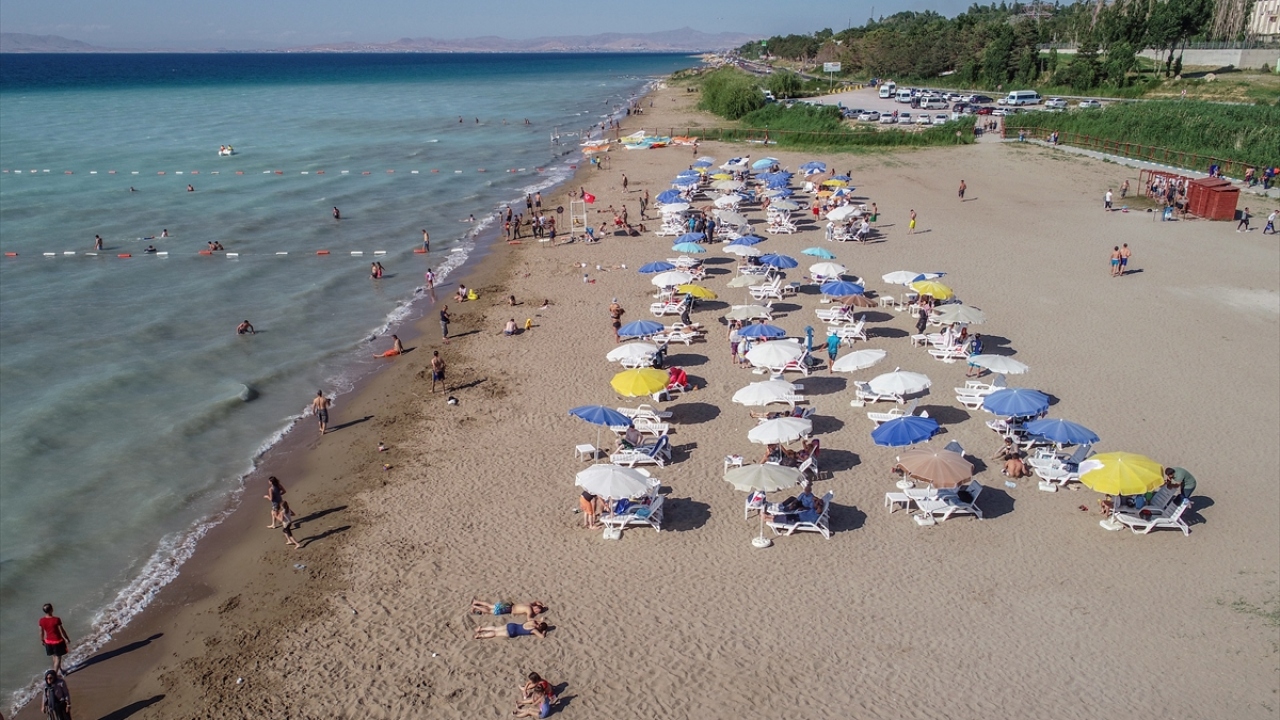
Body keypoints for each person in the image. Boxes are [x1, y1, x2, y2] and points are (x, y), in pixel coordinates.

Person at [39, 604, 71, 677]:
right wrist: (67, 638)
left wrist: (42, 640)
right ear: (51, 610)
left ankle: (61, 670)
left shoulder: (41, 620)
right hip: (57, 641)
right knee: (58, 658)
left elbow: (41, 632)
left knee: (54, 657)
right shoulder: (56, 619)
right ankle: (54, 676)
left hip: (48, 642)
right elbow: (62, 630)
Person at [470, 599, 547, 619]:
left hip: (509, 604)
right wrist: (538, 620)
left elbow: (537, 601)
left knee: (491, 606)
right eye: (537, 610)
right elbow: (529, 618)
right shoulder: (529, 610)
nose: (536, 612)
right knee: (490, 611)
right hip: (509, 610)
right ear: (536, 608)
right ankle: (475, 607)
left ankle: (476, 602)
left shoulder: (530, 604)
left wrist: (542, 605)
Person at [474, 620, 548, 639]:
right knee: (496, 634)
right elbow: (542, 637)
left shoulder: (532, 622)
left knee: (496, 628)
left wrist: (540, 621)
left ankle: (481, 629)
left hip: (512, 625)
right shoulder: (534, 630)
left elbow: (539, 621)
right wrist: (544, 632)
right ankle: (481, 636)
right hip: (513, 632)